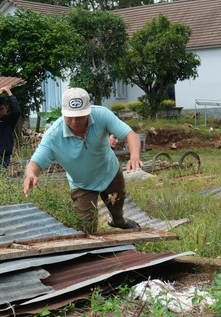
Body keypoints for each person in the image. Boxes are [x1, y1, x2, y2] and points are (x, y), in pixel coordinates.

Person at [23, 87, 143, 233]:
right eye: (70, 116)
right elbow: (36, 162)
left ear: (88, 111)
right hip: (83, 183)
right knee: (86, 228)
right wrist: (31, 174)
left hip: (109, 172)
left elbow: (129, 135)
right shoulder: (53, 136)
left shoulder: (101, 115)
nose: (75, 121)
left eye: (80, 116)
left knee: (117, 203)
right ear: (63, 113)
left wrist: (134, 156)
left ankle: (119, 221)